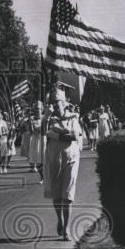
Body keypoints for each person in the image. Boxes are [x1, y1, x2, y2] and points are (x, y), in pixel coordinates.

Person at [44, 85, 83, 240]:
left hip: (71, 157)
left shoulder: (73, 117)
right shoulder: (48, 119)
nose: (54, 105)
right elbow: (40, 134)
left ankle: (66, 227)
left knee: (67, 194)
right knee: (56, 193)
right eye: (52, 102)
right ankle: (59, 219)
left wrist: (55, 134)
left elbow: (74, 136)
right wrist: (46, 120)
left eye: (57, 102)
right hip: (54, 158)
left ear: (64, 103)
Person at [28, 100, 45, 181]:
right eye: (36, 109)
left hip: (42, 139)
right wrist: (30, 123)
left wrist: (40, 129)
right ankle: (42, 177)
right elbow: (31, 131)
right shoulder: (32, 119)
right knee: (37, 159)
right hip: (35, 140)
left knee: (43, 158)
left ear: (42, 109)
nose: (38, 110)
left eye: (39, 108)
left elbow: (46, 129)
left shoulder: (45, 117)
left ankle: (46, 176)